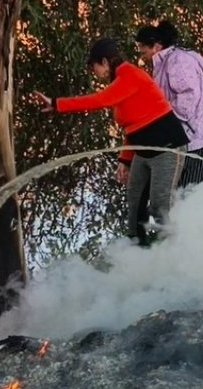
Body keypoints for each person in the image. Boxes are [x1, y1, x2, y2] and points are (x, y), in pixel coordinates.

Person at [34, 38, 189, 246]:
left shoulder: (130, 75)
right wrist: (124, 160)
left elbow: (99, 100)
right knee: (135, 202)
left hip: (167, 148)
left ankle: (173, 252)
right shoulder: (120, 84)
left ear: (105, 62)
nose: (94, 73)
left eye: (93, 67)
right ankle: (137, 250)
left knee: (160, 204)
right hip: (143, 152)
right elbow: (131, 126)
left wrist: (56, 104)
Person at [134, 20, 203, 186]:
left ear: (156, 46)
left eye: (143, 49)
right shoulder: (165, 62)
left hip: (199, 133)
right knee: (183, 184)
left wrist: (166, 119)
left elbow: (188, 95)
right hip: (188, 134)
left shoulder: (177, 61)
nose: (142, 55)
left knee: (190, 188)